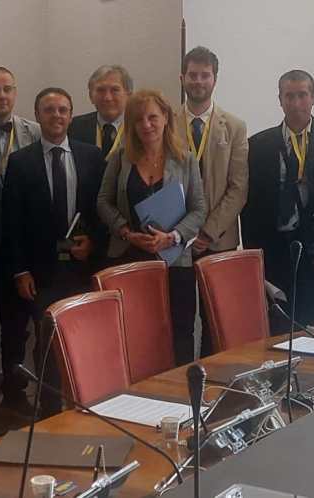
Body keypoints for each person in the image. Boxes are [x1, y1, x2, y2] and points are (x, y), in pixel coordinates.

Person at [2, 87, 107, 417]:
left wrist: (94, 242)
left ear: (71, 116)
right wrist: (20, 270)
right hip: (41, 272)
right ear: (37, 116)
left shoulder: (92, 156)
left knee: (84, 340)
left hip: (81, 267)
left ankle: (84, 407)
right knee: (47, 343)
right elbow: (11, 221)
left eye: (63, 110)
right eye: (49, 110)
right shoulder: (21, 162)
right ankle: (49, 412)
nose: (56, 116)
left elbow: (102, 210)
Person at [97, 89, 207, 365]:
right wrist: (126, 232)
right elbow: (103, 201)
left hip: (175, 260)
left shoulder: (185, 159)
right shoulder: (121, 158)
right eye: (138, 120)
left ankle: (182, 388)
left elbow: (199, 209)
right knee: (135, 333)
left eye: (152, 117)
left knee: (181, 332)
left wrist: (173, 237)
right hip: (130, 256)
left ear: (166, 118)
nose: (146, 125)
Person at [244, 70, 314, 327]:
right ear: (280, 100)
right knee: (281, 332)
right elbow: (251, 207)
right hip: (277, 256)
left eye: (302, 95)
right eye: (289, 96)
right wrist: (253, 257)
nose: (296, 103)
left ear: (313, 98)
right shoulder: (258, 144)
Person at [0, 66, 42, 415]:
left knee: (19, 327)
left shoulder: (35, 132)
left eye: (8, 89)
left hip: (23, 245)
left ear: (15, 93)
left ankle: (16, 394)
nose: (2, 95)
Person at [179, 46, 248, 355]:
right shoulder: (165, 122)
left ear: (215, 79)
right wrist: (184, 231)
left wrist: (207, 232)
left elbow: (239, 188)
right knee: (179, 320)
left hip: (219, 240)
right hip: (177, 241)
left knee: (216, 321)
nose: (198, 81)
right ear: (182, 78)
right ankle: (180, 379)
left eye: (204, 75)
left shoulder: (234, 126)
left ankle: (213, 379)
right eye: (192, 75)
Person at [68, 65, 133, 159]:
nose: (107, 98)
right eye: (100, 90)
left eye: (115, 90)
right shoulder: (74, 127)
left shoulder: (139, 127)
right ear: (91, 96)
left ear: (129, 95)